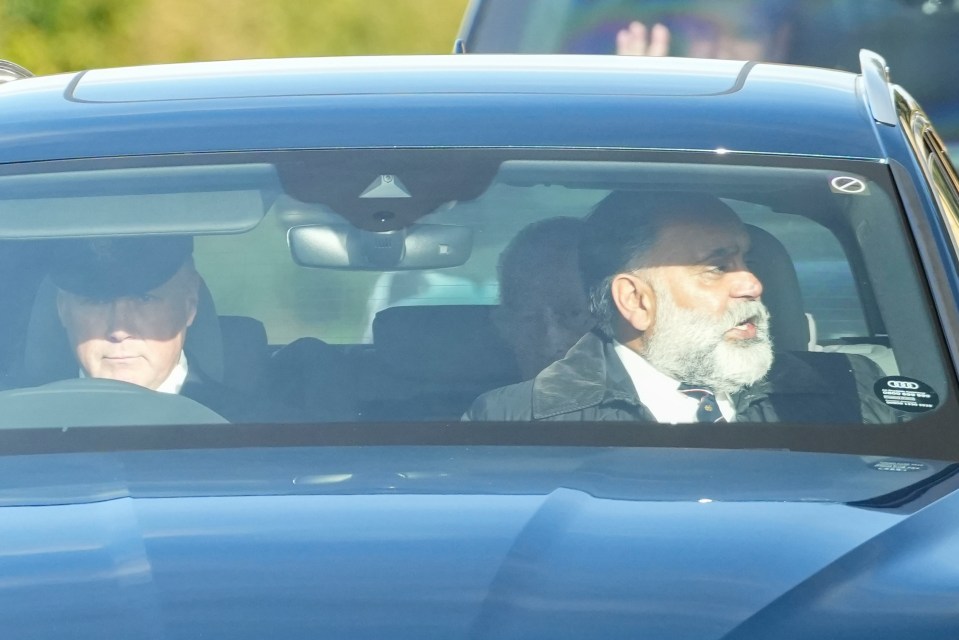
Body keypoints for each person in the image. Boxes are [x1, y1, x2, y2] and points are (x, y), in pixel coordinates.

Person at [465, 191, 895, 423]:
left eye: (746, 260)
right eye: (716, 267)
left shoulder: (854, 394)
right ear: (636, 300)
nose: (752, 283)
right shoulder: (514, 420)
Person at [50, 235, 285, 423]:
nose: (119, 329)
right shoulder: (17, 429)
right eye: (98, 301)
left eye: (144, 299)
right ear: (63, 308)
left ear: (190, 302)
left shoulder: (265, 436)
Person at [492, 217, 594, 380]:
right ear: (504, 327)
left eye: (574, 314)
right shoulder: (480, 404)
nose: (550, 343)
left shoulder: (647, 398)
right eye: (529, 318)